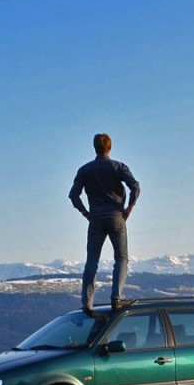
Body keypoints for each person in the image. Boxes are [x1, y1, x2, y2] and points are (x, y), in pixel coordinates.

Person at [69, 133, 140, 313]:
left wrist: (86, 213)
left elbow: (73, 195)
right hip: (117, 216)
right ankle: (117, 298)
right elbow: (135, 187)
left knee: (92, 261)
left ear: (95, 148)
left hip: (96, 219)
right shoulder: (118, 167)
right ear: (110, 147)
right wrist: (129, 208)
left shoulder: (85, 170)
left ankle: (87, 303)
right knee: (121, 258)